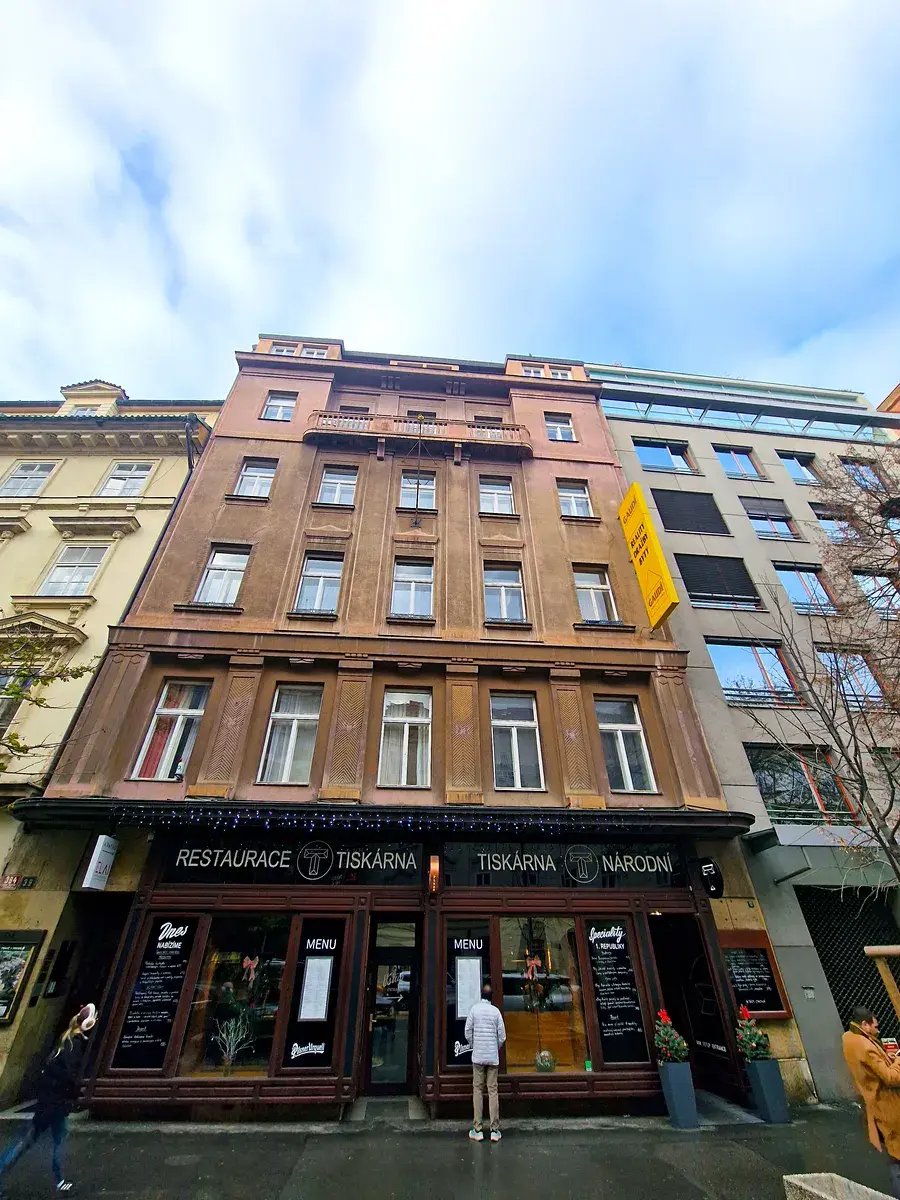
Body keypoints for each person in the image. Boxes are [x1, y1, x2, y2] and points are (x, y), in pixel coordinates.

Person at [0, 1003, 96, 1196]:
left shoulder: (66, 1038)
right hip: (56, 1103)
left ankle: (58, 1180)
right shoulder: (75, 1044)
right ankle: (59, 1181)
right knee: (50, 1142)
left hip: (49, 1101)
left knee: (28, 1141)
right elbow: (69, 1074)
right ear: (88, 1023)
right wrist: (75, 1093)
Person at [842, 1005, 900, 1198]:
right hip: (888, 1105)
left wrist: (886, 1058)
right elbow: (890, 1078)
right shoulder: (866, 1046)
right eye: (876, 1026)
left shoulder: (849, 1038)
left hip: (875, 1104)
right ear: (864, 1025)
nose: (879, 1030)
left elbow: (870, 1066)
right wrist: (898, 1062)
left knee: (895, 1154)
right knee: (897, 1157)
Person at [465, 984, 506, 1143]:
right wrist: (495, 1047)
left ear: (480, 995)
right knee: (493, 1090)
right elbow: (502, 1036)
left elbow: (467, 1031)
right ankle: (494, 1130)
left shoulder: (474, 1010)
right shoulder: (496, 1012)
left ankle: (477, 1129)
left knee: (477, 1090)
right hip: (492, 1057)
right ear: (491, 997)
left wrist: (474, 1044)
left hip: (478, 1057)